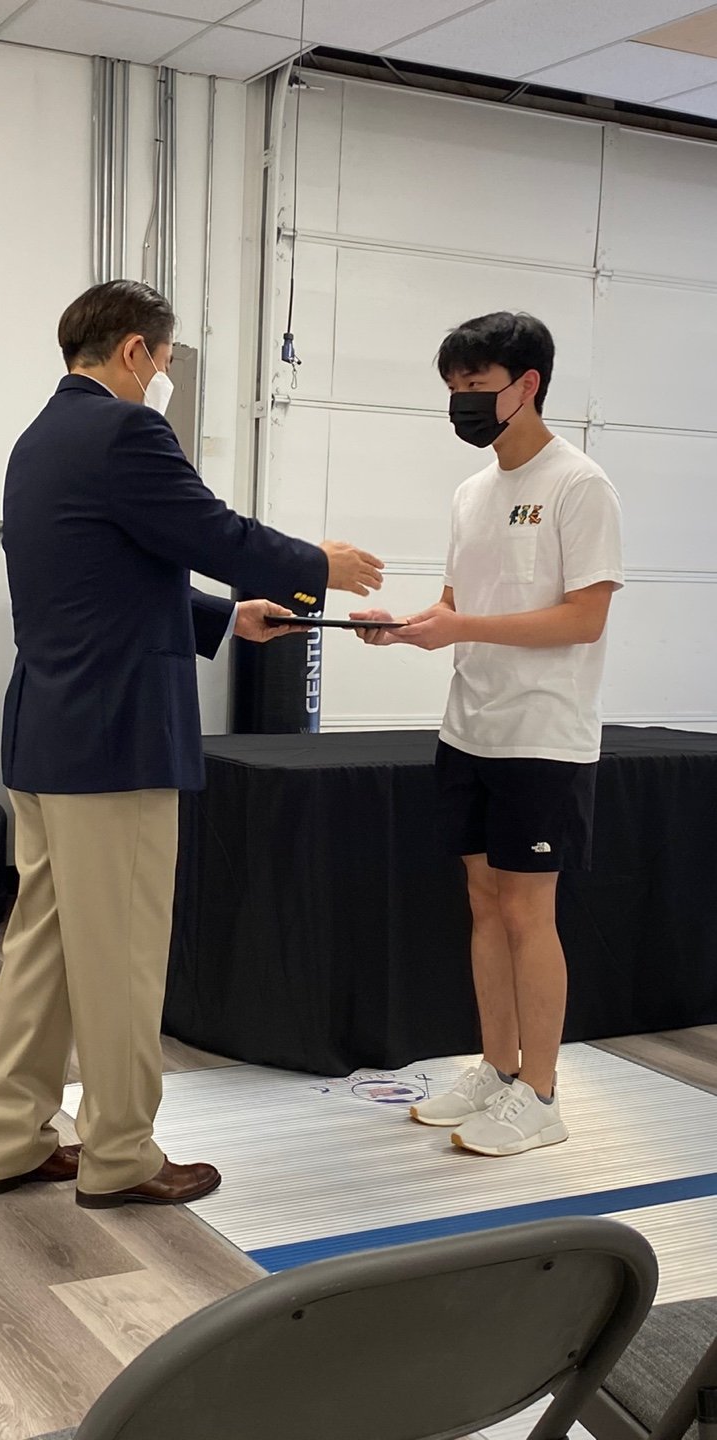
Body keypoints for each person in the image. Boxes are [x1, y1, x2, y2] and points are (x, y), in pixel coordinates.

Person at [0, 279, 385, 1208]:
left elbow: (105, 573)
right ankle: (120, 1154)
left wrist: (224, 619)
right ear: (131, 352)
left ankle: (8, 1136)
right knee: (117, 953)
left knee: (41, 944)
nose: (162, 377)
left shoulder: (38, 439)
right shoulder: (126, 431)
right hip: (116, 739)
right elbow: (209, 530)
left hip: (47, 732)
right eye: (163, 360)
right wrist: (321, 565)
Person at [355, 311, 622, 1156]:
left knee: (525, 911)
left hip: (542, 736)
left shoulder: (580, 485)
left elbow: (582, 619)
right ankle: (496, 1069)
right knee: (480, 903)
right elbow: (455, 602)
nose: (461, 403)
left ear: (526, 384)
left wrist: (463, 626)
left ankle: (540, 1094)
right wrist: (403, 625)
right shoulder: (473, 494)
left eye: (475, 387)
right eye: (452, 389)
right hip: (467, 728)